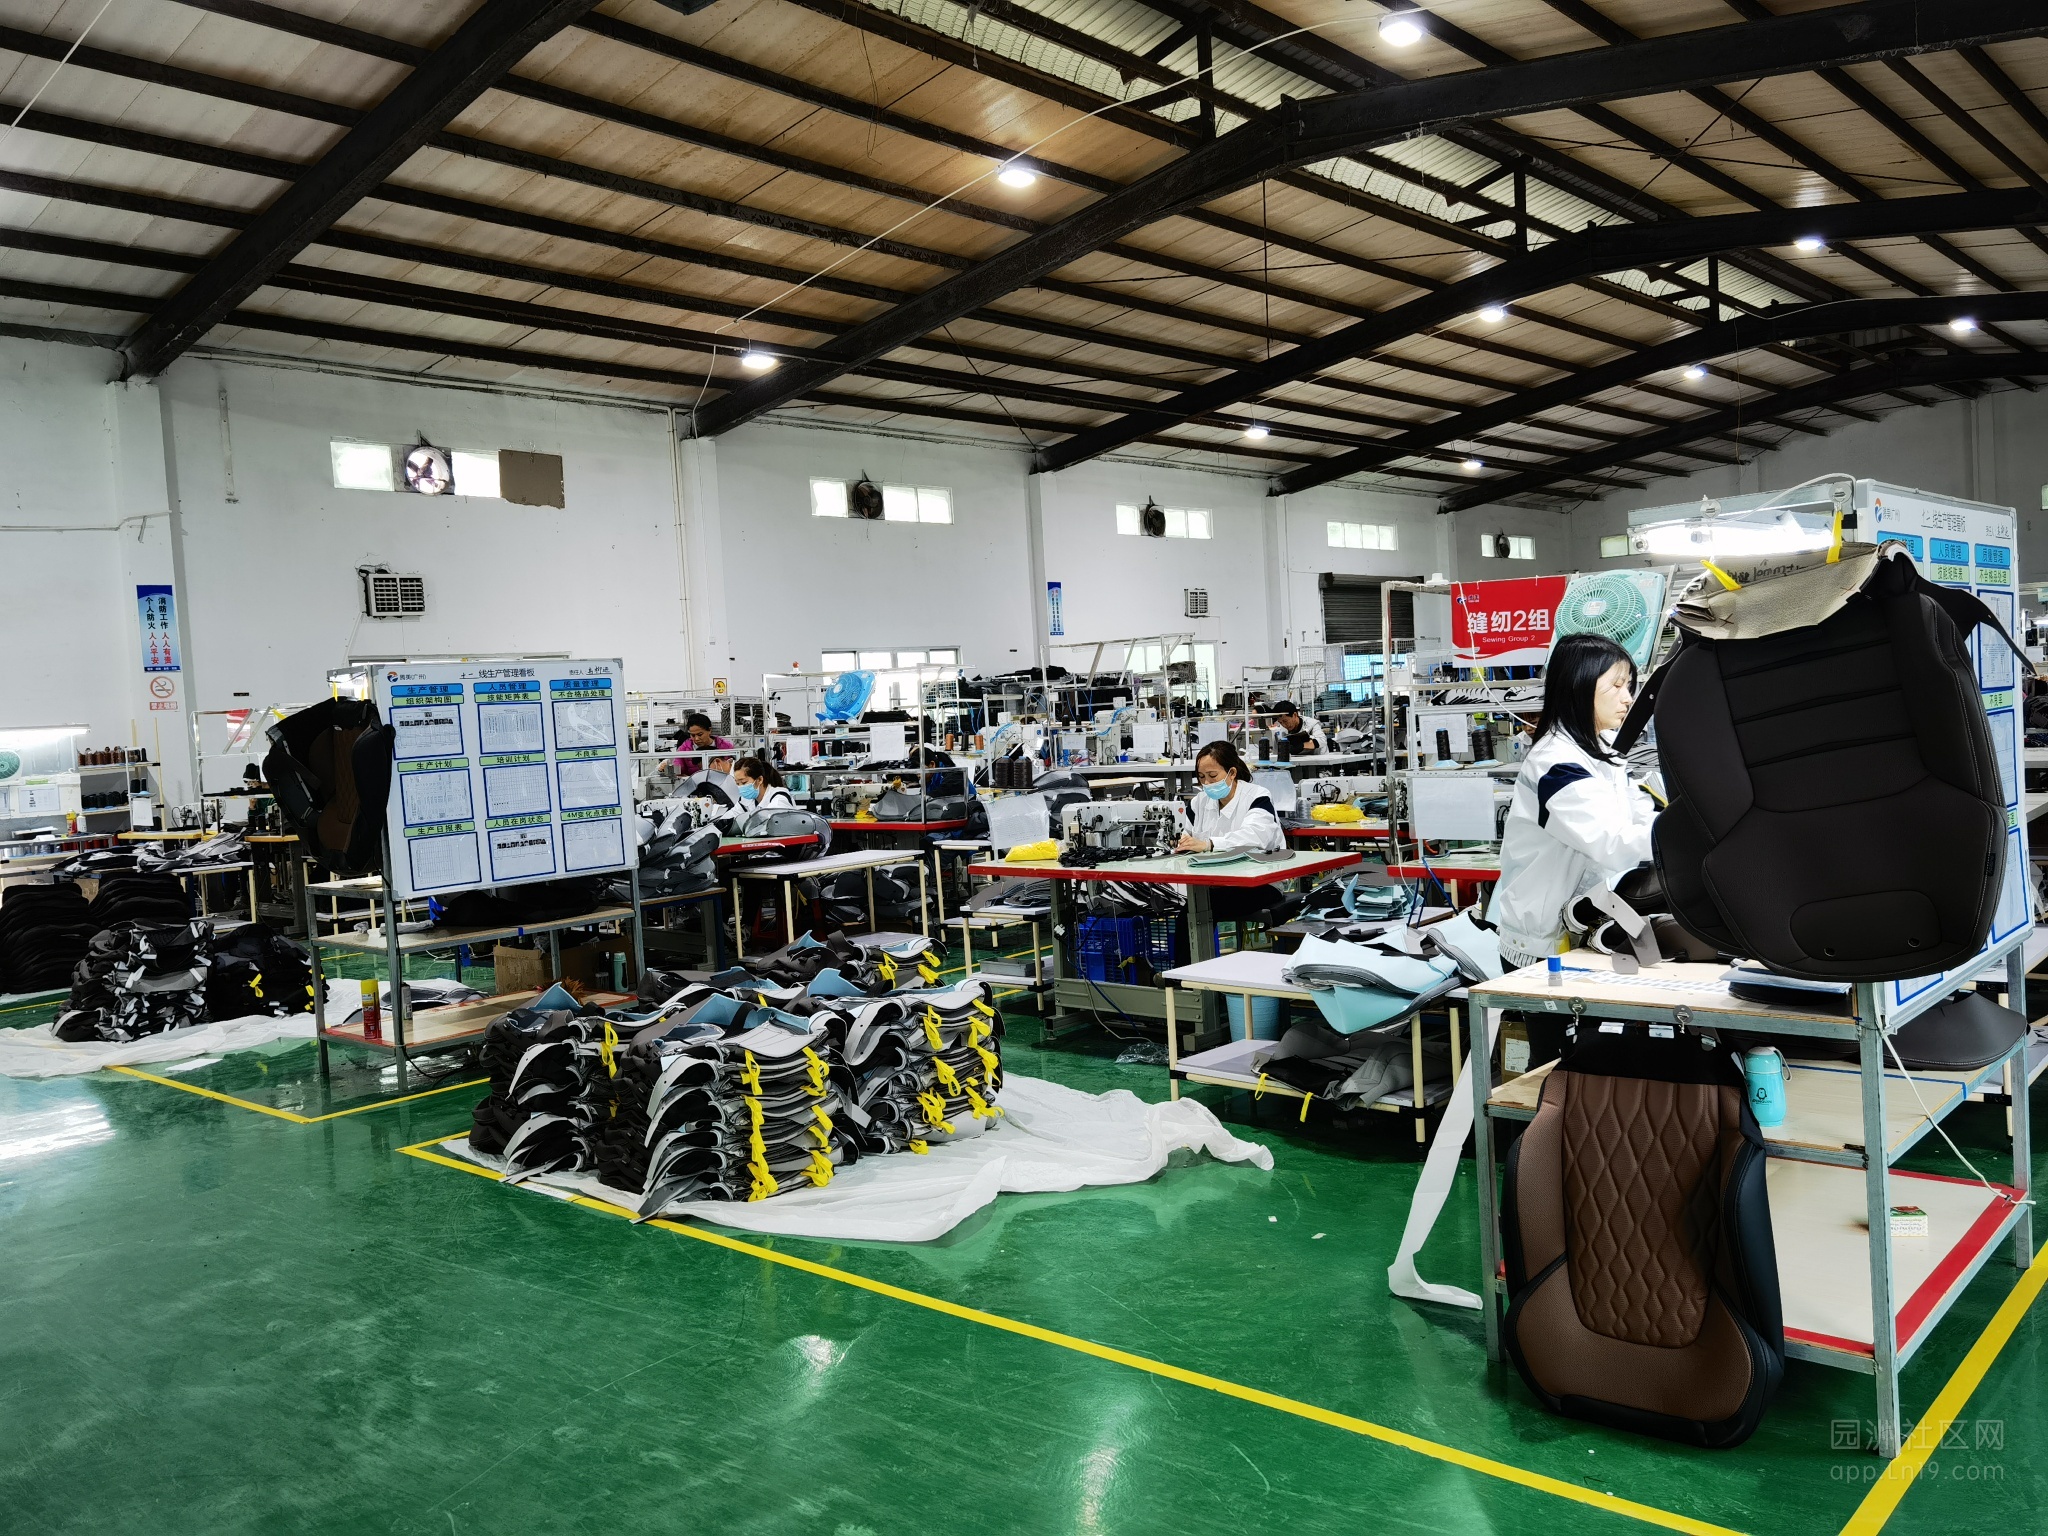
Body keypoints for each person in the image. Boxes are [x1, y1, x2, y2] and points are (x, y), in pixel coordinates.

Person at [1490, 632, 1658, 1064]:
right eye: (1616, 685)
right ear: (1580, 687)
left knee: (1590, 1062)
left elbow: (1638, 813)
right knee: (1556, 1066)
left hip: (1584, 930)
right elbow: (1610, 842)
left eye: (1629, 685)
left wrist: (1664, 824)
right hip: (1542, 946)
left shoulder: (1603, 750)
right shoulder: (1556, 762)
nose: (1628, 697)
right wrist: (1678, 833)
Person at [1174, 739, 1286, 921]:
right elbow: (1185, 833)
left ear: (1232, 773)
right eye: (1201, 777)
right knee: (1190, 906)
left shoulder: (1257, 797)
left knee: (1196, 910)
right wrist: (1181, 842)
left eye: (1212, 775)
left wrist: (1209, 844)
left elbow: (1255, 837)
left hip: (1261, 882)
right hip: (1216, 882)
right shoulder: (1198, 803)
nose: (1206, 783)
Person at [719, 756, 796, 830]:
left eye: (744, 782)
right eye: (737, 783)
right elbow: (728, 818)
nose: (740, 787)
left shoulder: (779, 796)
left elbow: (771, 819)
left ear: (759, 780)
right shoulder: (746, 801)